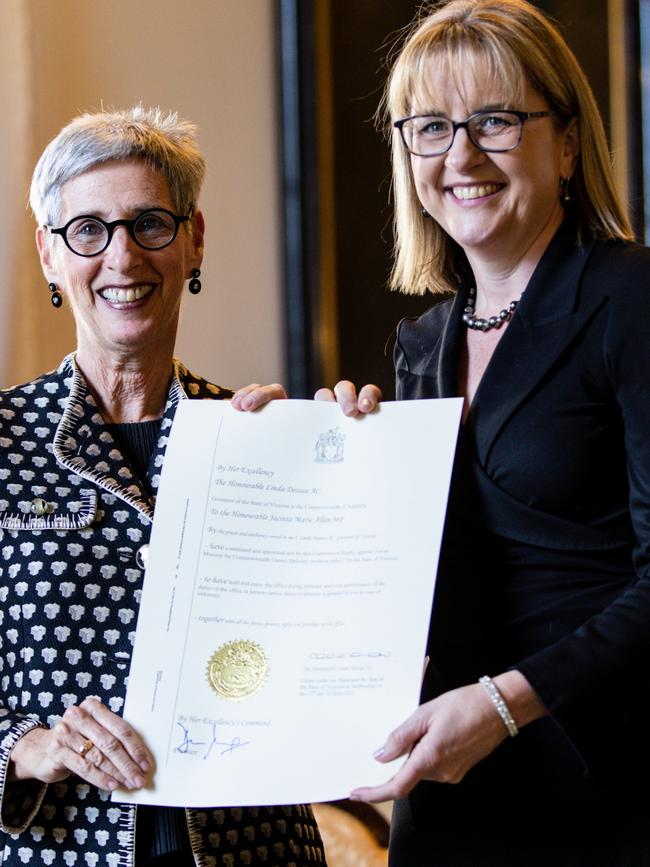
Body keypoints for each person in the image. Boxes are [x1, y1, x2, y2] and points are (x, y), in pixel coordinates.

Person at [315, 0, 650, 863]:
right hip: (453, 796)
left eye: (495, 121)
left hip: (608, 787)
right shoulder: (422, 344)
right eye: (430, 128)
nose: (460, 156)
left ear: (567, 142)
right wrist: (327, 466)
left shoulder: (632, 300)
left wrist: (505, 704)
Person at [0, 106, 325, 866]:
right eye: (88, 230)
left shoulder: (262, 440)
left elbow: (322, 655)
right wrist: (29, 743)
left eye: (149, 223)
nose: (122, 256)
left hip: (256, 850)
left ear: (194, 240)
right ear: (49, 254)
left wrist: (333, 465)